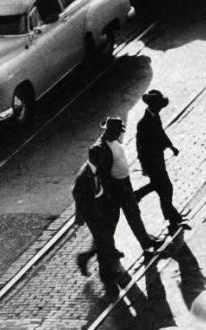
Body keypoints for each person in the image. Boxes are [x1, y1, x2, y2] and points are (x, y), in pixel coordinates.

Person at [97, 116, 162, 253]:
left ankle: (146, 243)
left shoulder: (115, 141)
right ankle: (107, 249)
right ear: (109, 131)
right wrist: (111, 191)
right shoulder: (101, 148)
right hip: (116, 188)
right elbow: (102, 173)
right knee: (114, 220)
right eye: (117, 131)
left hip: (125, 184)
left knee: (134, 214)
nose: (120, 133)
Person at [72, 143, 127, 291]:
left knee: (104, 239)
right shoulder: (84, 176)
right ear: (95, 159)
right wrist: (82, 216)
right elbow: (79, 197)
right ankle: (106, 273)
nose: (104, 160)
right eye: (101, 158)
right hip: (92, 214)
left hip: (101, 207)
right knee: (104, 241)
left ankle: (85, 258)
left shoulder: (97, 168)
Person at [135, 89, 187, 234]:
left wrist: (170, 146)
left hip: (158, 159)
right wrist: (144, 166)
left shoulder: (155, 116)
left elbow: (160, 133)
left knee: (161, 188)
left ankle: (171, 216)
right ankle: (172, 216)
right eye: (158, 105)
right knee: (166, 188)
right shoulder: (143, 123)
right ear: (153, 105)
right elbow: (140, 148)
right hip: (152, 162)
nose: (160, 108)